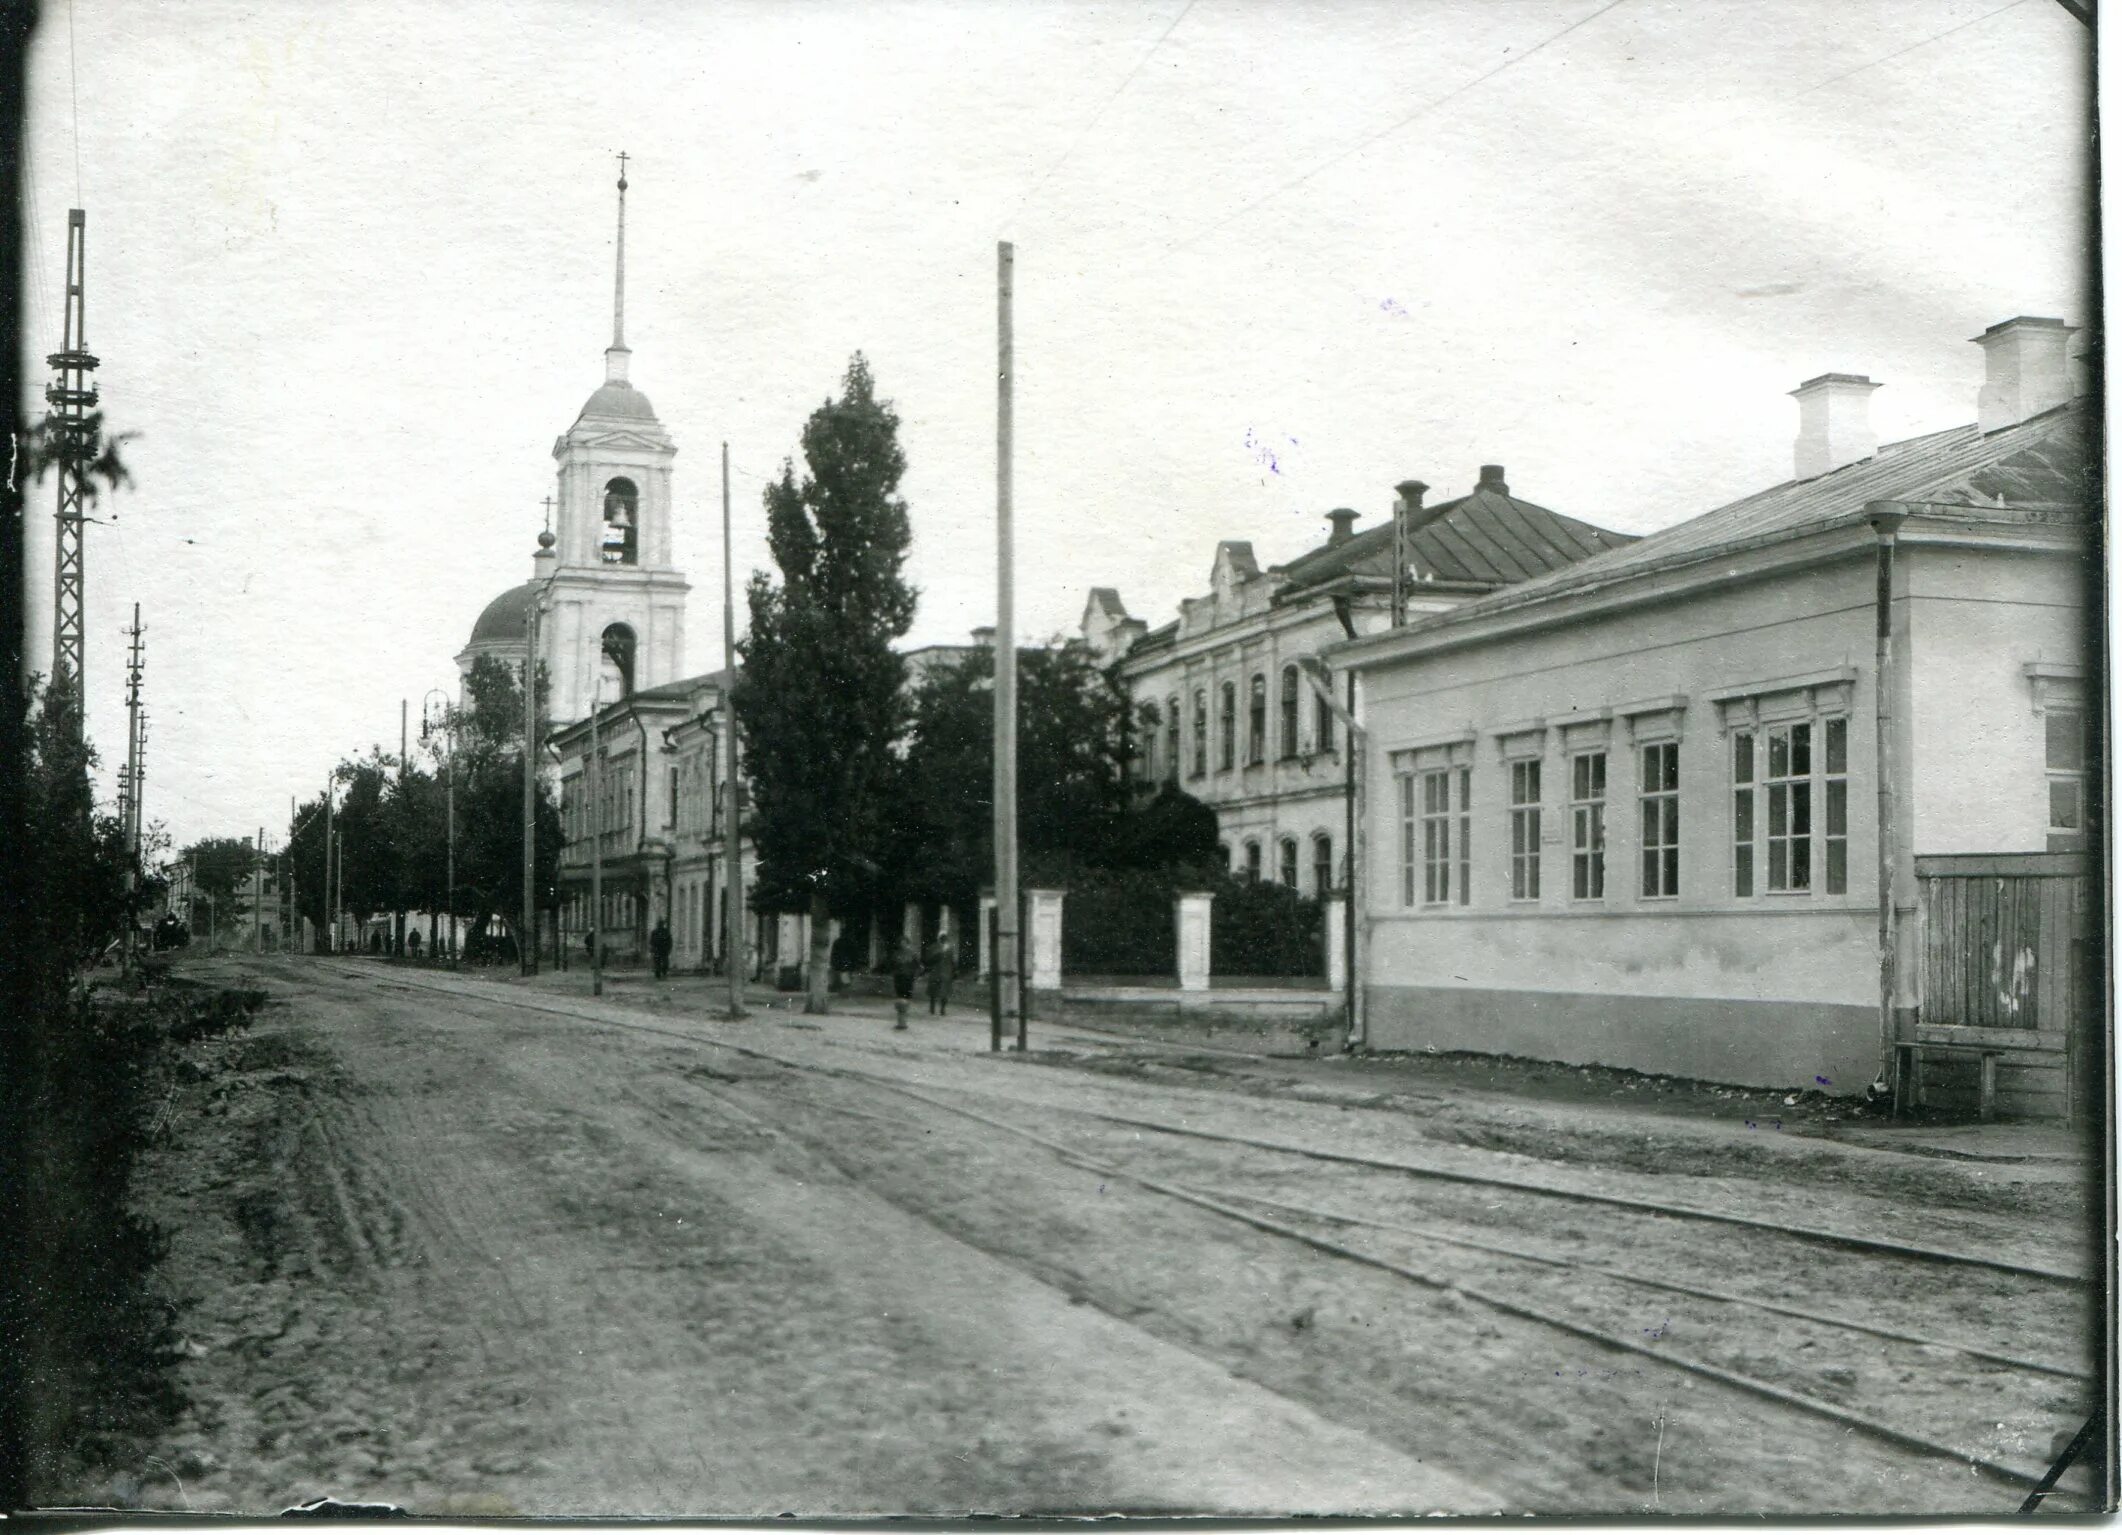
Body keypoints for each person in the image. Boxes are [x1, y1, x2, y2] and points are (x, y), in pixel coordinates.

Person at [924, 929, 956, 1016]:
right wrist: (938, 954)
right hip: (935, 971)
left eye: (945, 937)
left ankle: (942, 1009)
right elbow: (928, 959)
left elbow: (952, 961)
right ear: (939, 938)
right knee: (933, 991)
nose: (943, 938)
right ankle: (932, 1008)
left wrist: (953, 971)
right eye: (942, 937)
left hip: (946, 972)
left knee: (944, 992)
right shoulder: (933, 947)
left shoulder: (950, 948)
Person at [890, 938, 918, 1030]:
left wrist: (914, 975)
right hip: (900, 978)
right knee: (900, 999)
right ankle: (901, 1022)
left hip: (907, 979)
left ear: (907, 944)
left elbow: (917, 966)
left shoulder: (912, 954)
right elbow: (892, 965)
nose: (903, 945)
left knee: (904, 999)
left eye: (904, 943)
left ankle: (903, 1022)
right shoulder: (896, 954)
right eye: (901, 943)